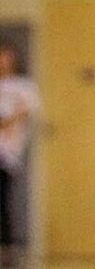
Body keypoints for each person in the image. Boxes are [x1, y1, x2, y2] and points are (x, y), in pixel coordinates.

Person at [0, 41, 39, 268]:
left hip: (6, 155)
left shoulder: (24, 87)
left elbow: (20, 116)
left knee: (4, 205)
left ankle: (7, 252)